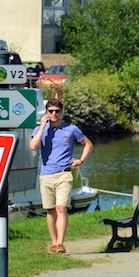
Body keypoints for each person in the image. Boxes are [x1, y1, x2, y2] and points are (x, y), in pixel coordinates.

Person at [28, 99, 92, 253]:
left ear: (62, 112)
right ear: (46, 112)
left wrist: (81, 160)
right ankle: (54, 242)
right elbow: (33, 146)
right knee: (50, 210)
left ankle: (60, 243)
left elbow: (88, 144)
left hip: (64, 174)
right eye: (50, 111)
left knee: (61, 208)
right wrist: (43, 126)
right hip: (46, 175)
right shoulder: (39, 129)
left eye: (57, 111)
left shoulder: (71, 129)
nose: (54, 114)